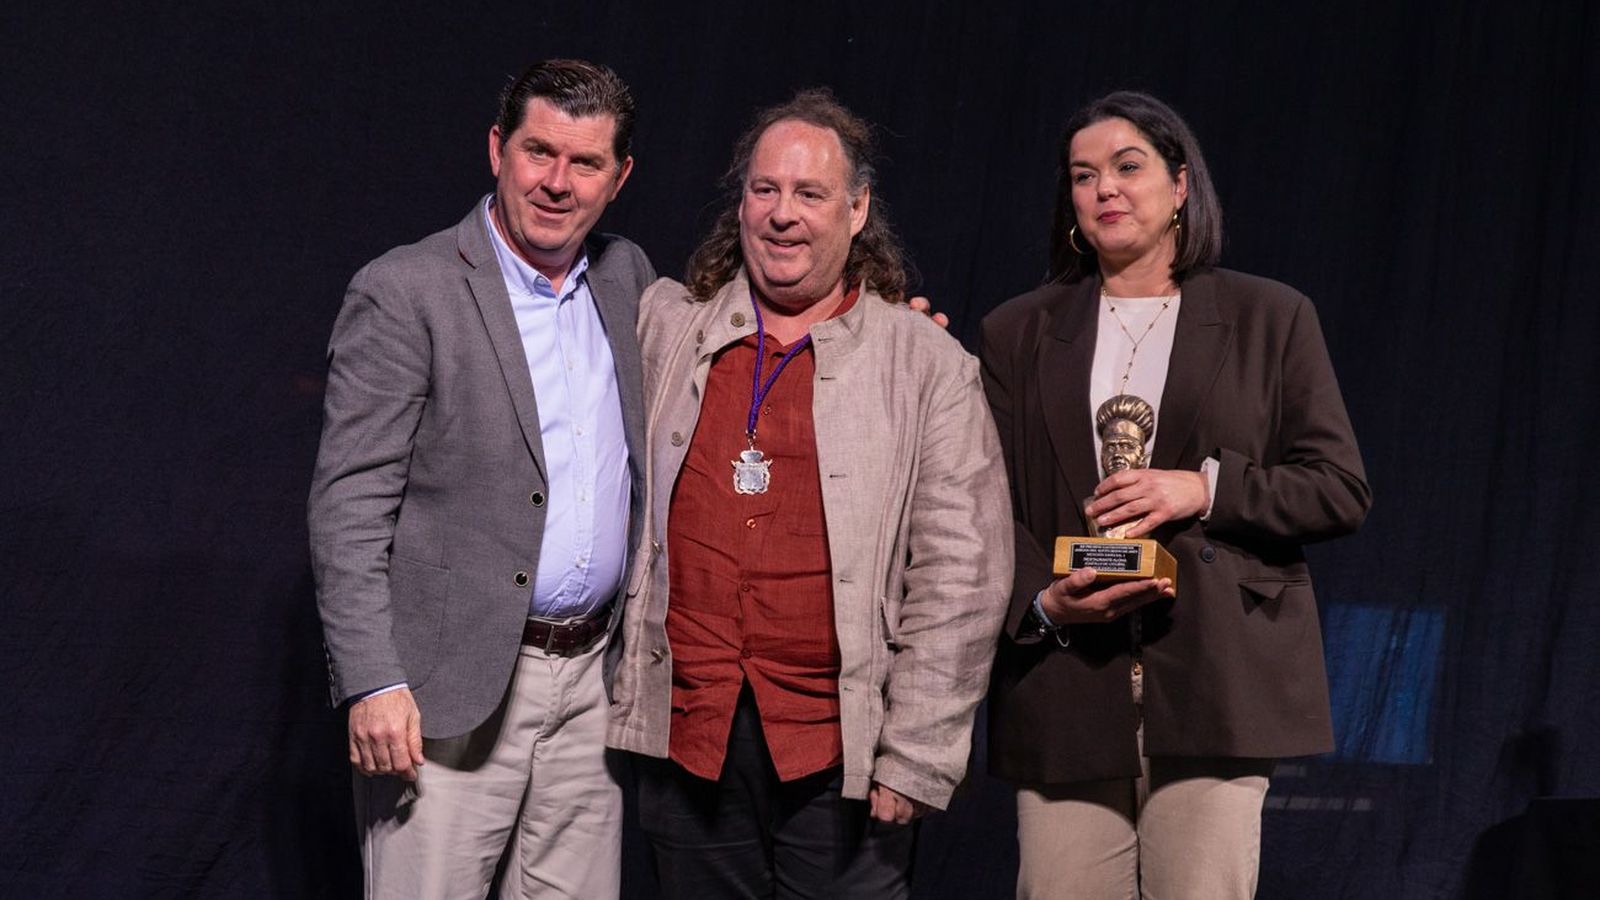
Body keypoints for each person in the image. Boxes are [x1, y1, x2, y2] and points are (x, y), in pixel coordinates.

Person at [606, 89, 1013, 898]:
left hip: (841, 760)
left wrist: (919, 756)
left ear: (857, 210)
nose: (782, 214)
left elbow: (963, 578)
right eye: (765, 190)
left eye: (810, 193)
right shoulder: (665, 325)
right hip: (689, 737)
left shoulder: (925, 366)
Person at [980, 91, 1371, 899]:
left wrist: (1204, 487)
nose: (1106, 191)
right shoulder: (1018, 331)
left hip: (1214, 684)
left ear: (1181, 185)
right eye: (1084, 176)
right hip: (1068, 680)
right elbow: (987, 507)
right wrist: (1044, 605)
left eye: (1129, 168)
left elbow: (1338, 488)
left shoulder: (1271, 317)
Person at [307, 59, 653, 898]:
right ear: (498, 147)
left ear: (620, 177)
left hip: (594, 685)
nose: (557, 183)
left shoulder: (630, 279)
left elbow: (748, 329)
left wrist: (877, 314)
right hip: (445, 695)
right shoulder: (405, 291)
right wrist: (373, 681)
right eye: (539, 152)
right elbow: (347, 507)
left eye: (585, 163)